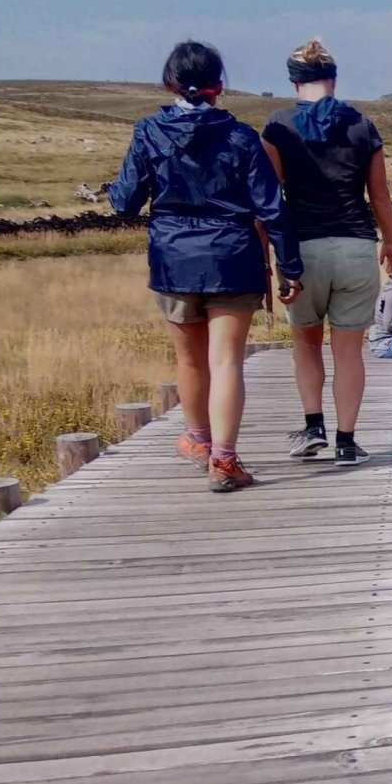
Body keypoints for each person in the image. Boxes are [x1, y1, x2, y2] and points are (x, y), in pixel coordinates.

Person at [109, 41, 302, 493]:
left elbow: (124, 202)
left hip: (173, 259)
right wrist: (290, 267)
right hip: (232, 255)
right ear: (220, 86)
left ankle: (198, 441)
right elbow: (272, 208)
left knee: (190, 358)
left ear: (169, 82)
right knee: (227, 360)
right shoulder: (240, 137)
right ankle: (224, 459)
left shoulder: (148, 132)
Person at [261, 39, 392, 466]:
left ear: (293, 83)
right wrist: (391, 241)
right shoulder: (362, 124)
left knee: (305, 344)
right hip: (356, 246)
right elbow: (379, 196)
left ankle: (313, 426)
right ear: (334, 80)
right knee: (348, 350)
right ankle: (346, 441)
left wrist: (266, 253)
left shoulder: (279, 126)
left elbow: (269, 200)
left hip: (302, 249)